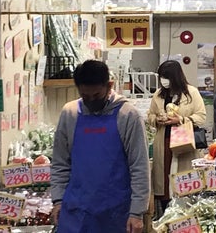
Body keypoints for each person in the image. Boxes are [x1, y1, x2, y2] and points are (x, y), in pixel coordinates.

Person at [50, 60, 149, 233]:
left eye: (96, 96)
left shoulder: (128, 115)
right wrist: (58, 200)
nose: (91, 101)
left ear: (109, 85)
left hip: (116, 214)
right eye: (85, 96)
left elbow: (139, 166)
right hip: (76, 212)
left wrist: (137, 212)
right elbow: (60, 163)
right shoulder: (70, 113)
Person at [147, 60, 207, 214]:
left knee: (182, 183)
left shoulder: (191, 93)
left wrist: (180, 120)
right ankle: (167, 215)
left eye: (166, 77)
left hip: (183, 144)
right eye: (161, 77)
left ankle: (184, 217)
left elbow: (201, 116)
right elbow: (150, 115)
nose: (163, 80)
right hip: (164, 143)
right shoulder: (158, 95)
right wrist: (157, 119)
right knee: (164, 183)